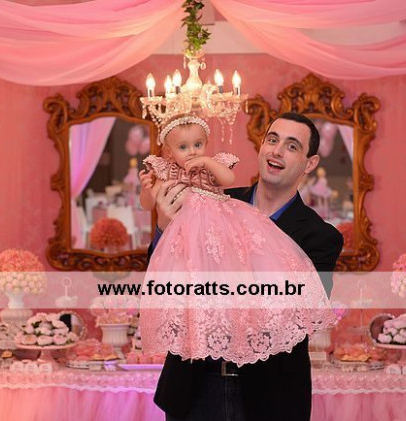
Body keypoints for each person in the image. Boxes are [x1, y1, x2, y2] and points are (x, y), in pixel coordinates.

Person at [145, 112, 343, 421]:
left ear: (310, 163)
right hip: (193, 386)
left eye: (292, 146)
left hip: (269, 398)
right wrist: (163, 227)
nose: (277, 151)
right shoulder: (212, 200)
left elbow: (299, 308)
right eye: (272, 140)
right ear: (261, 147)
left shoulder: (321, 237)